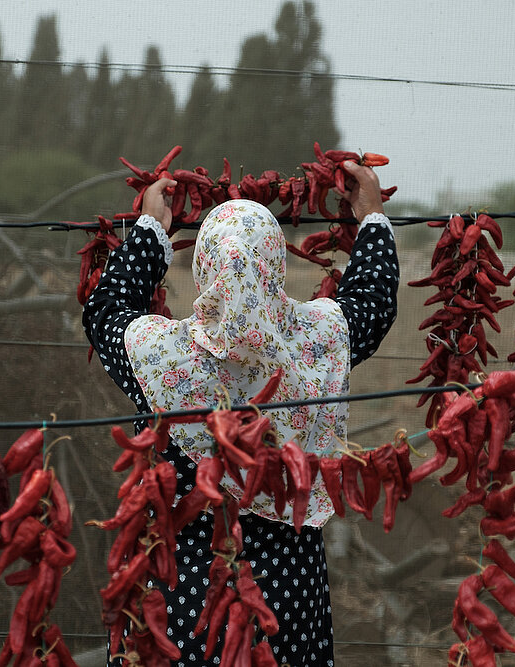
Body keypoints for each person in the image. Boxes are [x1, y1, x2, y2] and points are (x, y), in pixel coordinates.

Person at [83, 160, 399, 666]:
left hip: (184, 593)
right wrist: (372, 218)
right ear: (275, 268)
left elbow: (105, 311)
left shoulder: (160, 355)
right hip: (287, 595)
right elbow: (372, 301)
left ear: (205, 269)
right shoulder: (318, 342)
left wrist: (150, 231)